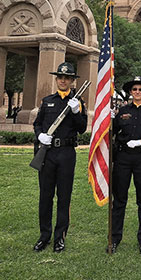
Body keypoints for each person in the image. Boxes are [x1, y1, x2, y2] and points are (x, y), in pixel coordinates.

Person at [33, 62, 87, 252]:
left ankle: (60, 237)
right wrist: (40, 135)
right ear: (57, 79)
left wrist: (75, 112)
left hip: (66, 153)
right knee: (45, 196)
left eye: (67, 78)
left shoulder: (78, 102)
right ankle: (44, 236)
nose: (63, 80)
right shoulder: (47, 100)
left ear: (72, 81)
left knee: (64, 197)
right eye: (60, 77)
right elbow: (37, 124)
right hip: (47, 154)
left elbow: (82, 128)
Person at [109, 76, 141, 255]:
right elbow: (112, 132)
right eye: (134, 89)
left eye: (140, 90)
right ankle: (114, 239)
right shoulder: (122, 110)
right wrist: (107, 120)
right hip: (123, 157)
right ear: (130, 92)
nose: (137, 92)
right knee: (119, 200)